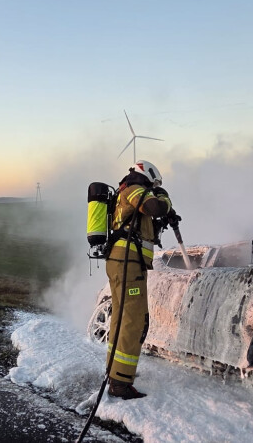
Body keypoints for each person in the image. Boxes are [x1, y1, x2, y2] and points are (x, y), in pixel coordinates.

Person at [103, 160, 177, 399]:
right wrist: (164, 198)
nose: (155, 187)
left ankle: (114, 372)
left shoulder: (128, 190)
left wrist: (162, 221)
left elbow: (143, 223)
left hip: (122, 262)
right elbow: (155, 207)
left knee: (121, 319)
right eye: (155, 183)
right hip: (127, 263)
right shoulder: (135, 187)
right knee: (133, 322)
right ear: (149, 175)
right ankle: (121, 382)